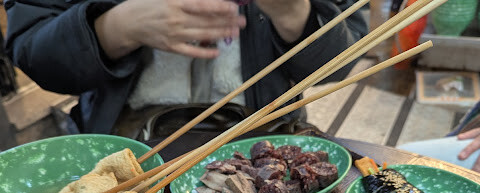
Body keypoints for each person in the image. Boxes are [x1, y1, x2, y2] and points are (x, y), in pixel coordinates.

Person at [4, 0, 367, 138]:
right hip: (124, 145)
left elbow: (341, 63)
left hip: (263, 140)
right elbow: (33, 53)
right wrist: (114, 28)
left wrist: (293, 12)